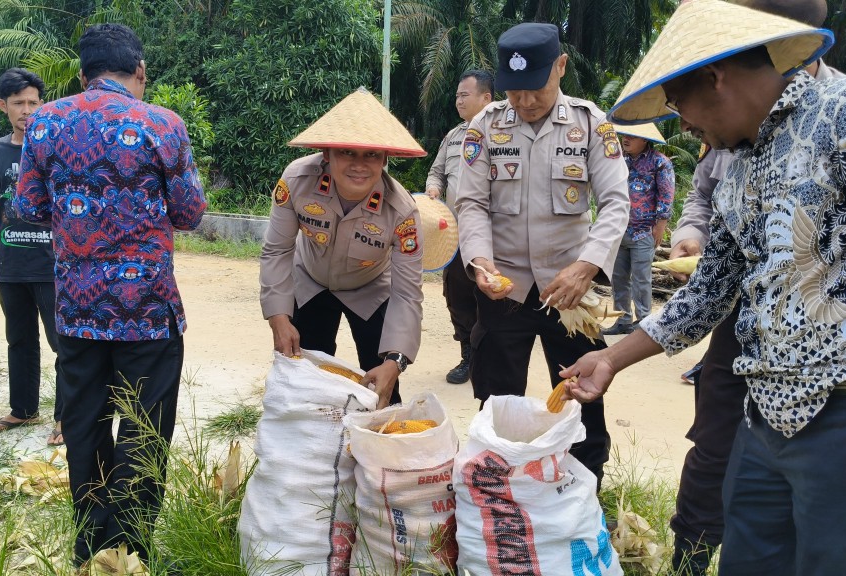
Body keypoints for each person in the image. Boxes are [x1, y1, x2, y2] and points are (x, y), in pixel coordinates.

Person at [562, 1, 846, 574]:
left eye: (678, 105)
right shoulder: (740, 158)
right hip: (763, 417)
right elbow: (713, 284)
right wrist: (613, 357)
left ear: (716, 77)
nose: (684, 124)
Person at [15, 23, 206, 567]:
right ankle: (129, 551)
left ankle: (89, 545)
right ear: (139, 71)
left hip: (76, 310)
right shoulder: (162, 124)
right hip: (146, 313)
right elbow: (190, 213)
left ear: (82, 75)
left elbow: (27, 206)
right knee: (144, 428)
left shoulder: (46, 121)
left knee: (84, 425)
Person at [665, 0, 844, 572]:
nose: (692, 130)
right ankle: (691, 554)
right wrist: (616, 356)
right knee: (718, 451)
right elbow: (716, 259)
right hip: (745, 329)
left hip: (841, 366)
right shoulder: (733, 130)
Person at [456, 22, 629, 488]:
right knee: (496, 396)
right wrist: (479, 261)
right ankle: (494, 488)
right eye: (514, 92)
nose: (525, 102)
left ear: (561, 67)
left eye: (535, 88)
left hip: (572, 291)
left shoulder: (591, 123)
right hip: (504, 287)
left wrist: (586, 266)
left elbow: (616, 202)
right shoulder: (485, 126)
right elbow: (470, 202)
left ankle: (585, 487)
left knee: (581, 394)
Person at [260, 88, 425, 410]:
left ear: (385, 159)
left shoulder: (402, 211)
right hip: (310, 282)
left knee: (382, 385)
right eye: (347, 152)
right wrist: (278, 317)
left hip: (371, 288)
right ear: (327, 154)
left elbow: (407, 294)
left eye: (371, 155)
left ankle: (381, 450)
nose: (359, 166)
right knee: (306, 380)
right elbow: (277, 251)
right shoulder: (296, 181)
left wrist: (396, 360)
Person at [0, 68, 65, 447]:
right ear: (2, 106)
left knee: (63, 344)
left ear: (43, 105)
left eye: (33, 102)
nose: (27, 109)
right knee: (19, 340)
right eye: (19, 103)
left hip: (52, 265)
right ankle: (23, 409)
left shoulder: (56, 147)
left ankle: (66, 418)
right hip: (12, 265)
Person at [425, 70, 494, 384]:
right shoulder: (453, 136)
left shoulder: (505, 135)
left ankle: (489, 356)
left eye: (465, 94)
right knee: (457, 293)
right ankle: (468, 355)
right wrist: (433, 188)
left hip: (492, 235)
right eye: (456, 95)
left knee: (491, 294)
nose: (458, 101)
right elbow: (437, 172)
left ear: (486, 98)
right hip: (453, 233)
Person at [602, 123, 674, 336]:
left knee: (642, 279)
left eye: (632, 136)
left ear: (644, 140)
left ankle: (643, 321)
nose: (626, 139)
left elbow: (666, 195)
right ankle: (622, 320)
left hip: (644, 231)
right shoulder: (619, 160)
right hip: (619, 229)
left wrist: (660, 226)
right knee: (618, 278)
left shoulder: (660, 163)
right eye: (625, 135)